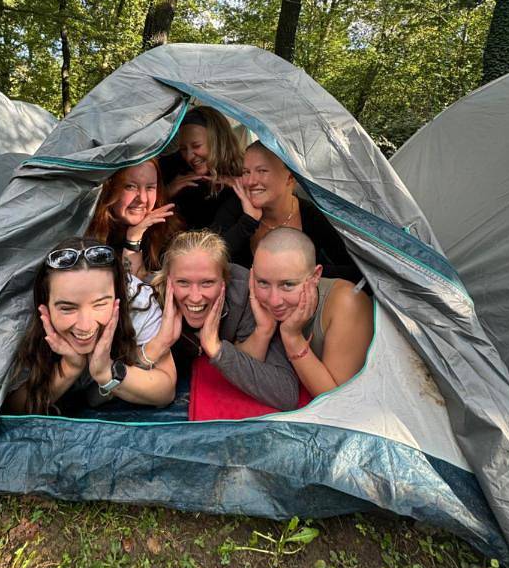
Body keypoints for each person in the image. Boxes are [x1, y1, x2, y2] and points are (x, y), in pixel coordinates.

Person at [5, 237, 177, 415]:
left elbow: (165, 390)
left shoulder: (137, 303)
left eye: (100, 304)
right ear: (45, 304)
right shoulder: (20, 320)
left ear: (118, 296)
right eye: (67, 308)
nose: (85, 325)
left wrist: (106, 372)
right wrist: (70, 367)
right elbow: (12, 408)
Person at [143, 229, 299, 411]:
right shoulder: (148, 298)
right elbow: (118, 372)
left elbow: (285, 393)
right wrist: (160, 341)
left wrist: (216, 348)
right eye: (183, 282)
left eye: (207, 283)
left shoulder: (244, 293)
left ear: (224, 280)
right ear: (168, 280)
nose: (195, 297)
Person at [250, 227, 373, 399]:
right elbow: (248, 367)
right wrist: (264, 330)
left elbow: (336, 400)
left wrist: (292, 337)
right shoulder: (257, 298)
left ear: (315, 276)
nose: (274, 300)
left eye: (288, 284)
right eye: (263, 282)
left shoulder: (347, 303)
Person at [242, 141, 361, 281]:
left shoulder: (312, 216)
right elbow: (216, 262)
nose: (250, 182)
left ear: (290, 177)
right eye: (246, 172)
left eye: (262, 171)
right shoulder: (237, 211)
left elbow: (355, 271)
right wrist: (246, 224)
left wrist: (304, 272)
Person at [160, 106, 260, 264]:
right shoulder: (175, 173)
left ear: (218, 141)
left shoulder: (245, 177)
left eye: (196, 146)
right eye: (183, 149)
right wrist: (166, 193)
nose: (189, 156)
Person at [87, 159, 180, 278]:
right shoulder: (89, 234)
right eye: (130, 187)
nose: (143, 199)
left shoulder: (168, 233)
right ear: (110, 188)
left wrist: (133, 239)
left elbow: (140, 291)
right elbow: (127, 291)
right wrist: (133, 240)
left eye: (150, 187)